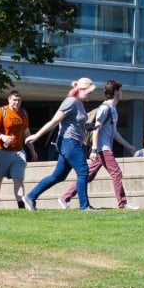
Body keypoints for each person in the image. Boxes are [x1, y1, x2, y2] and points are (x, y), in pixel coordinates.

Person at [61, 79, 137, 210]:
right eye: (121, 90)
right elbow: (96, 129)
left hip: (103, 148)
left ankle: (65, 197)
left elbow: (114, 132)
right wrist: (94, 150)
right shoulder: (105, 108)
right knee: (116, 173)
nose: (122, 92)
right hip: (102, 148)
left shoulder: (113, 109)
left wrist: (128, 146)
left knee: (88, 176)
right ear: (117, 92)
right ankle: (123, 203)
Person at [24, 77, 96, 210]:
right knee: (83, 171)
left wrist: (87, 127)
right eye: (89, 92)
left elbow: (74, 123)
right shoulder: (70, 102)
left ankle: (30, 197)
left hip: (73, 142)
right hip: (69, 142)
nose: (90, 94)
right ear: (81, 89)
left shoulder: (79, 103)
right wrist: (37, 135)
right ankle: (84, 206)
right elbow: (54, 121)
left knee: (58, 176)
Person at [0, 90, 31, 209]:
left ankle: (21, 206)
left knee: (19, 179)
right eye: (14, 100)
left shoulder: (23, 114)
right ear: (9, 100)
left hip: (18, 151)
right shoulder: (2, 111)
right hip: (0, 150)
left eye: (19, 100)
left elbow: (26, 132)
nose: (17, 102)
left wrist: (32, 150)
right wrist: (2, 136)